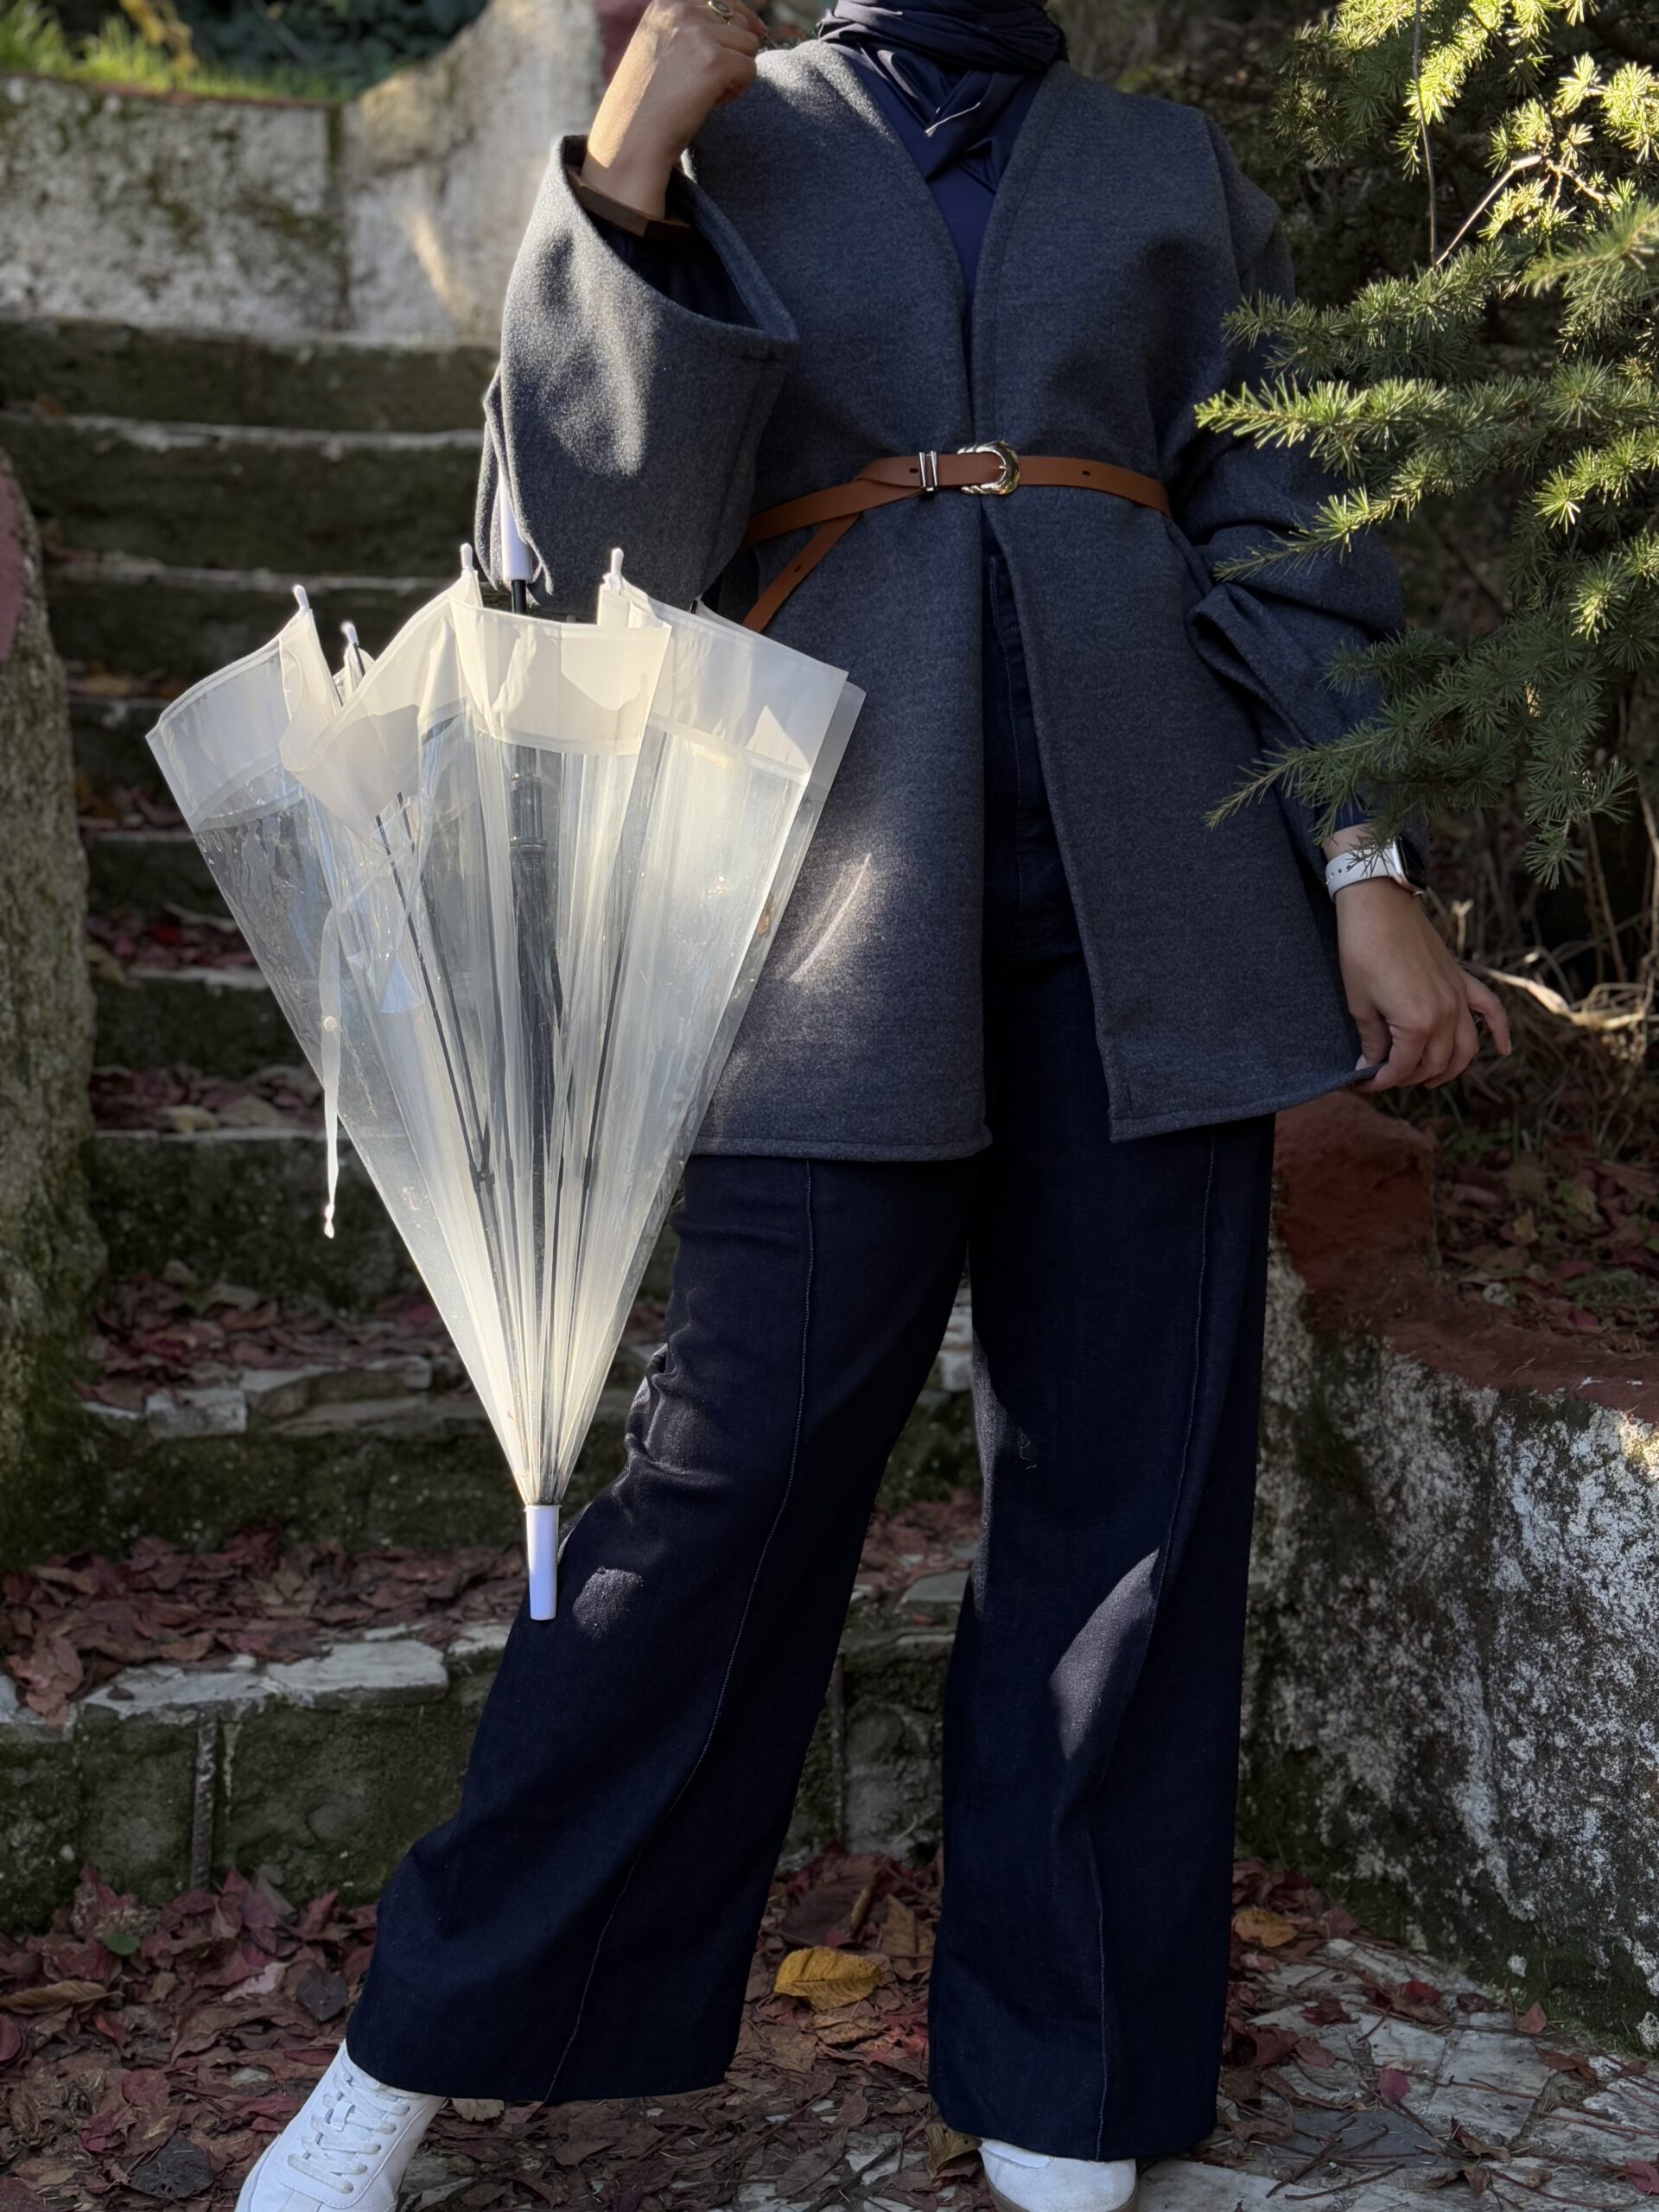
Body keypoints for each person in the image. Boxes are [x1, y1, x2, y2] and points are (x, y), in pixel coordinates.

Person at [238, 3, 1510, 2208]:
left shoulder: (1171, 167)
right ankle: (421, 2033)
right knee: (722, 1480)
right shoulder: (733, 135)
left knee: (1129, 1493)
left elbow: (1288, 521)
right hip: (820, 891)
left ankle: (1069, 2062)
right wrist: (630, 162)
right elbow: (579, 557)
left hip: (1161, 893)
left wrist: (1364, 861)